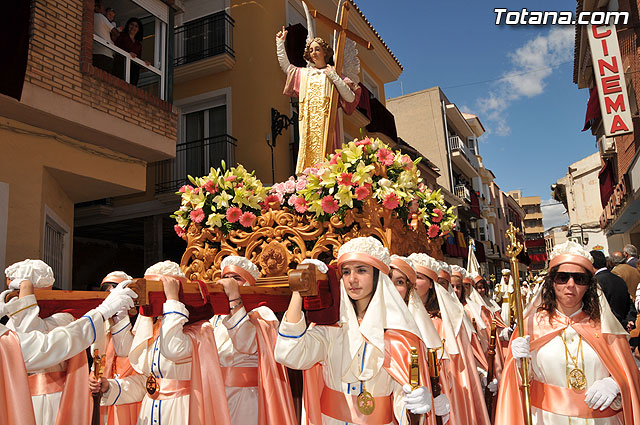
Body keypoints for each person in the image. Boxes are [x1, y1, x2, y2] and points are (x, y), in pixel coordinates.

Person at [275, 237, 435, 425]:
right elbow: (290, 354)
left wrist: (415, 405)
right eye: (346, 272)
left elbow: (404, 398)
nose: (352, 279)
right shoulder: (330, 327)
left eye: (361, 270)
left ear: (378, 276)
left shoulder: (400, 335)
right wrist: (298, 291)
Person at [496, 240, 640, 425]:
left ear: (589, 285)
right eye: (563, 277)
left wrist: (616, 384)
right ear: (552, 282)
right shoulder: (531, 326)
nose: (570, 285)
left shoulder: (604, 327)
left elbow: (629, 373)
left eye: (579, 278)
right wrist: (516, 364)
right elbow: (518, 388)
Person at [92, 260, 232, 425]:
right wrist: (110, 387)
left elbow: (172, 348)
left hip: (181, 412)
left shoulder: (199, 330)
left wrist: (173, 301)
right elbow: (147, 382)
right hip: (150, 411)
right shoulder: (155, 329)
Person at [163, 255, 296, 424]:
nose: (228, 282)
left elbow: (246, 343)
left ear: (248, 284)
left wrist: (235, 299)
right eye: (225, 278)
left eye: (236, 278)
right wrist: (173, 304)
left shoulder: (262, 313)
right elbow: (176, 351)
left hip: (247, 400)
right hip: (215, 397)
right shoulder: (213, 320)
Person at [0, 280, 136, 425]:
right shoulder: (8, 334)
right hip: (31, 396)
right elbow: (47, 346)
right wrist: (103, 311)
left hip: (58, 396)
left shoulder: (62, 317)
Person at [409, 253, 492, 425]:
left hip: (444, 392)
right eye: (410, 277)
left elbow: (460, 368)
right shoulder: (400, 315)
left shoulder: (447, 321)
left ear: (431, 284)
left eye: (418, 277)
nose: (413, 282)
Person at [275, 26, 360, 173]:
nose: (313, 53)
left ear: (325, 52)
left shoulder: (334, 72)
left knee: (330, 163)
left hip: (329, 125)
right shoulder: (305, 73)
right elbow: (286, 67)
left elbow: (350, 98)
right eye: (311, 50)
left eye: (317, 49)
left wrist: (334, 77)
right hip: (308, 124)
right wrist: (279, 44)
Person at [3, 260, 78, 425]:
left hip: (50, 397)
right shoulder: (13, 318)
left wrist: (25, 293)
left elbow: (31, 335)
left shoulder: (64, 316)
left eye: (20, 291)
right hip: (15, 392)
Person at [96, 271, 142, 425]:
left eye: (114, 288)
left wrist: (120, 318)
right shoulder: (102, 326)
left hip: (133, 394)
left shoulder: (142, 324)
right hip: (108, 392)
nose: (109, 293)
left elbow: (126, 352)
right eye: (105, 289)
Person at [592, 250, 635, 330]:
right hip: (623, 328)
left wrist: (623, 322)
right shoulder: (619, 279)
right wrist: (629, 320)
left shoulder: (595, 282)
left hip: (608, 329)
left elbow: (605, 308)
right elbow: (629, 303)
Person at [114, 17, 148, 86]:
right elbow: (116, 48)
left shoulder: (138, 44)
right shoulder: (122, 36)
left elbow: (138, 58)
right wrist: (128, 54)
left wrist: (144, 63)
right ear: (128, 25)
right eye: (132, 24)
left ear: (138, 30)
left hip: (133, 70)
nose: (133, 27)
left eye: (136, 26)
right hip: (121, 66)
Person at [93, 1, 119, 73]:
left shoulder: (92, 18)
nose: (103, 11)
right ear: (96, 8)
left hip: (95, 53)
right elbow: (116, 33)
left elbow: (113, 38)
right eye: (103, 9)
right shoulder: (100, 17)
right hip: (105, 54)